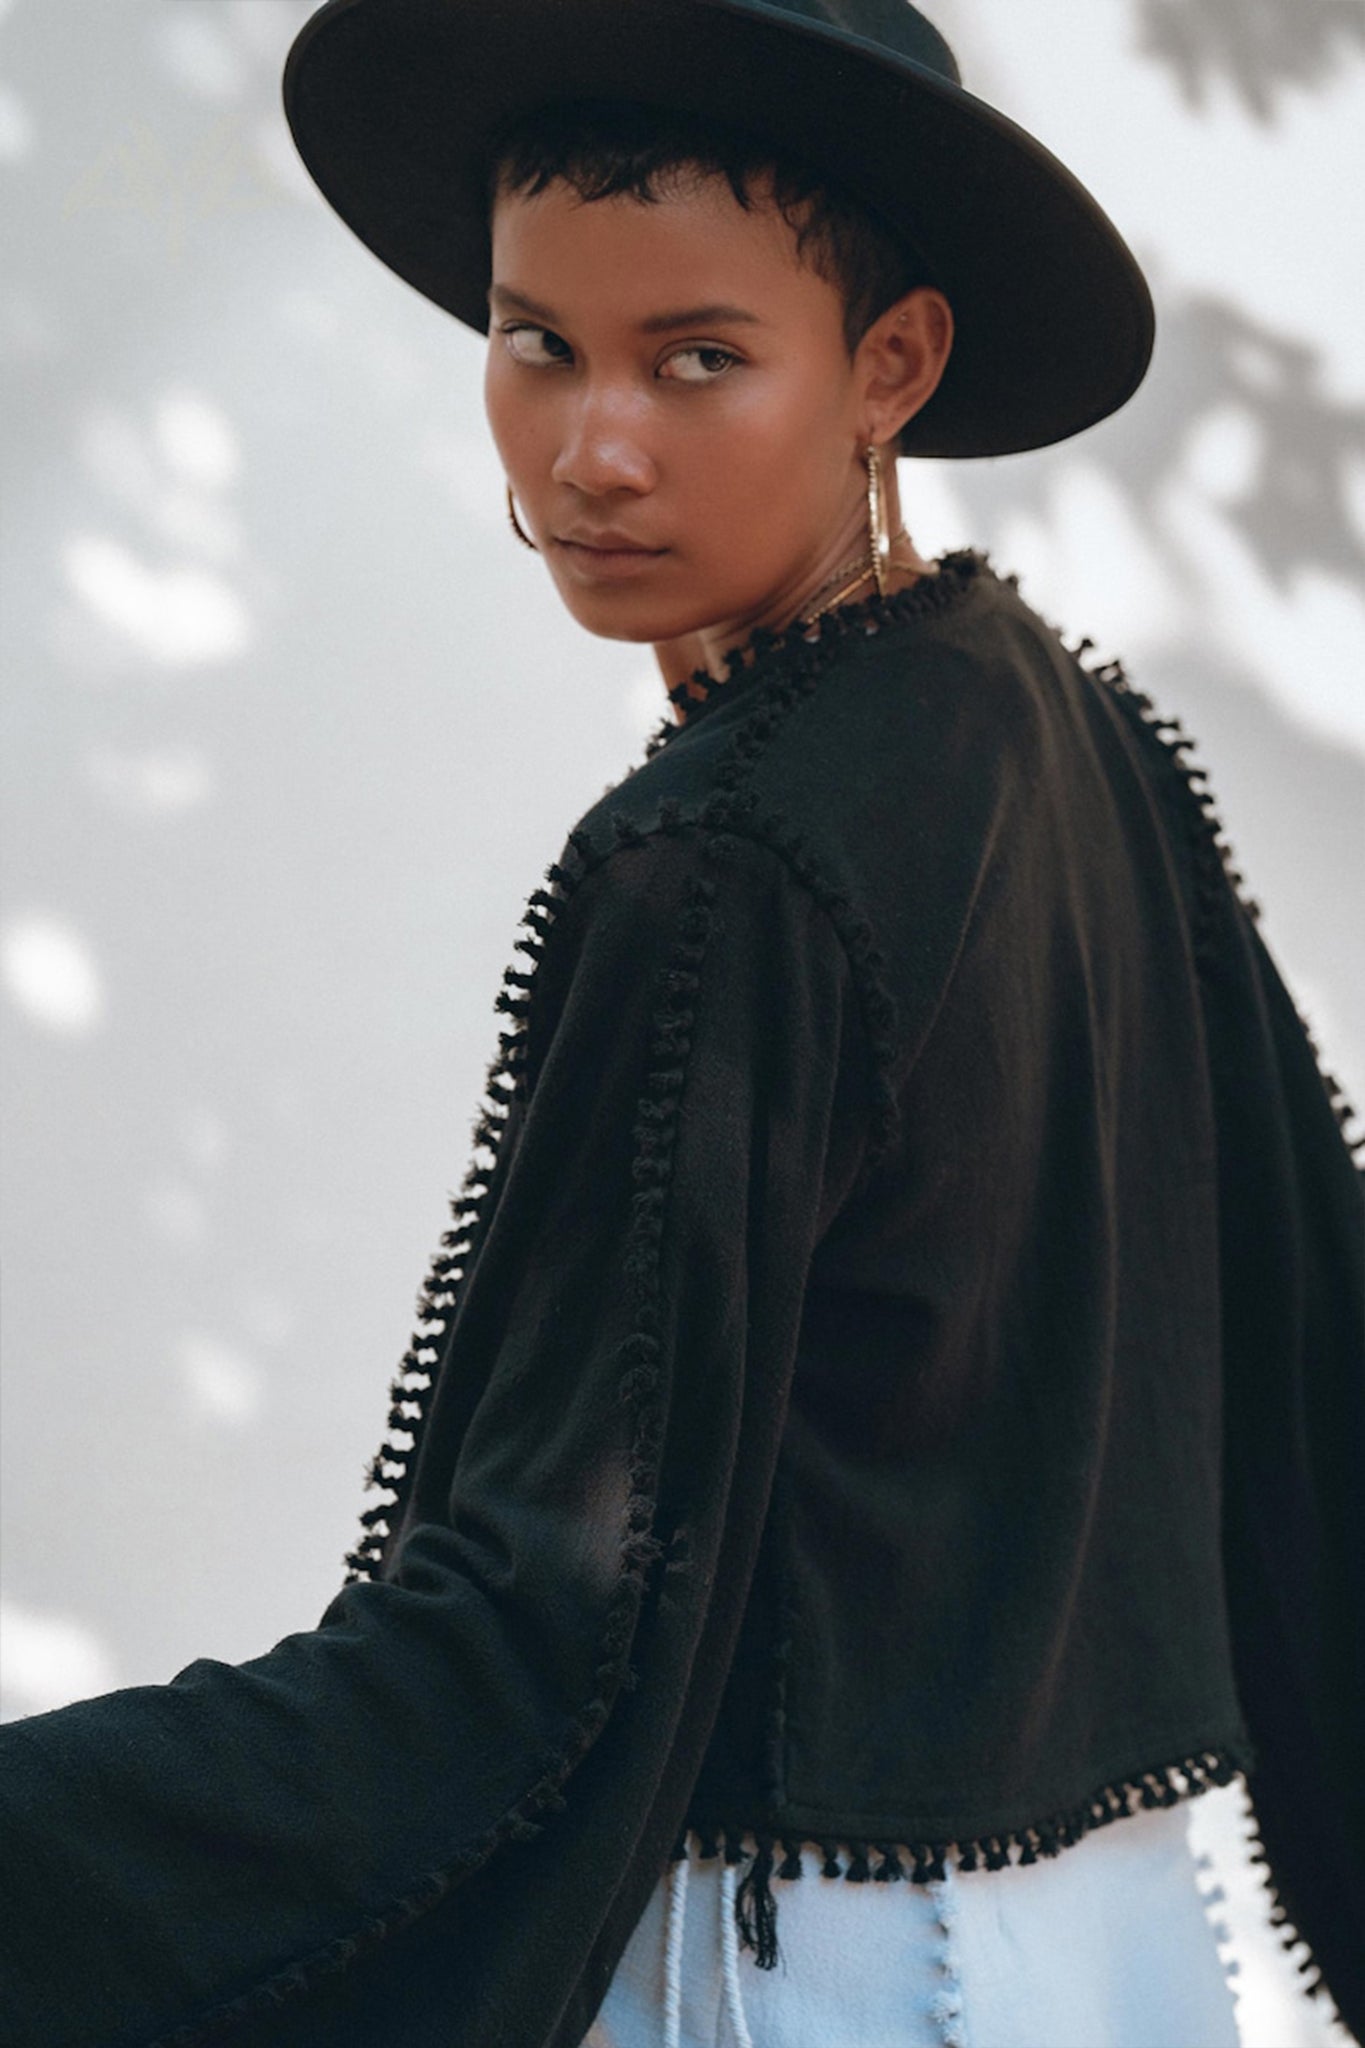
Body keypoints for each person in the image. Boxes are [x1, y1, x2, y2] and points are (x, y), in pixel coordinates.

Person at [1, 3, 1362, 2045]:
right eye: (535, 339)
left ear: (886, 365)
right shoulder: (1068, 739)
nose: (590, 446)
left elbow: (530, 1635)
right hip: (1135, 1959)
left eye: (696, 358)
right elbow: (1319, 1410)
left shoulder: (718, 858)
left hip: (811, 1974)